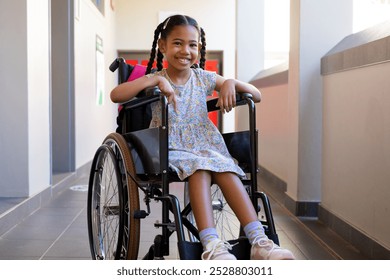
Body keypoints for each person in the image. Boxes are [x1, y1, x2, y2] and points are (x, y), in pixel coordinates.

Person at [111, 14, 295, 260]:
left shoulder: (203, 77)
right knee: (199, 169)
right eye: (177, 43)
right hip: (171, 145)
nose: (185, 50)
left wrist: (230, 82)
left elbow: (256, 94)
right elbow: (116, 95)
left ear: (199, 48)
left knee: (226, 169)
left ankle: (259, 241)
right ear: (163, 46)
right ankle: (211, 245)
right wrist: (154, 79)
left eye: (192, 45)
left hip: (206, 145)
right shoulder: (155, 79)